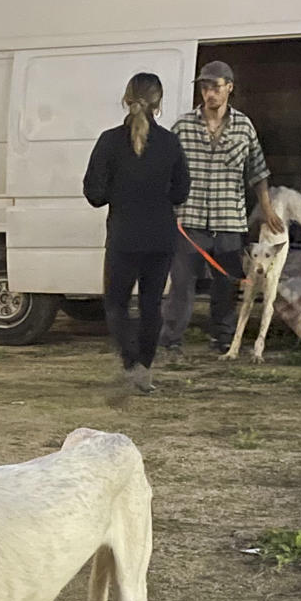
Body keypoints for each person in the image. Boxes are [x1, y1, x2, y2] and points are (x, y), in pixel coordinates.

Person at [161, 60, 283, 358]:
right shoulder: (183, 126)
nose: (209, 93)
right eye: (205, 87)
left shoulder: (243, 126)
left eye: (215, 87)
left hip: (229, 218)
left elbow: (258, 171)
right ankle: (171, 340)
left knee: (226, 284)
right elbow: (166, 171)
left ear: (229, 87)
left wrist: (267, 209)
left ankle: (223, 338)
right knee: (181, 283)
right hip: (189, 217)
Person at [83, 72, 190, 394]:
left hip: (124, 236)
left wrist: (118, 192)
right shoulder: (171, 143)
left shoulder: (109, 141)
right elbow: (181, 192)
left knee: (116, 303)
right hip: (161, 236)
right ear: (159, 104)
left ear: (126, 99)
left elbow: (94, 194)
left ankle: (130, 362)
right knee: (150, 304)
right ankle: (145, 366)